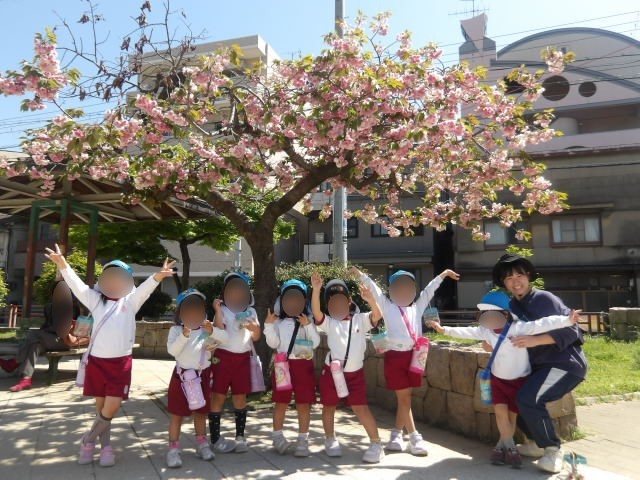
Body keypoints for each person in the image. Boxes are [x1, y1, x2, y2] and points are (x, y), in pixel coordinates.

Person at [44, 244, 175, 467]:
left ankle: (87, 440)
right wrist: (63, 265)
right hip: (97, 362)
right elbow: (77, 286)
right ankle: (105, 448)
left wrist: (158, 276)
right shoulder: (95, 300)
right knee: (101, 409)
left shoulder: (131, 302)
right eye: (110, 277)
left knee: (111, 407)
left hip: (120, 364)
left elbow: (145, 289)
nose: (114, 283)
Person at [430, 291, 580, 468]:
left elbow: (541, 324)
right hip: (498, 381)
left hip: (519, 381)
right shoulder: (486, 332)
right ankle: (510, 449)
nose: (491, 320)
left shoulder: (518, 328)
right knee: (501, 415)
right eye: (486, 316)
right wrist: (444, 330)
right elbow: (467, 332)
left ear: (506, 314)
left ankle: (502, 446)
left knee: (511, 417)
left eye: (494, 316)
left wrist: (567, 320)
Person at [492, 253, 588, 474]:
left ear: (528, 275)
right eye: (509, 278)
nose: (515, 281)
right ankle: (536, 443)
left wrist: (535, 340)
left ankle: (553, 449)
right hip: (539, 367)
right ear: (504, 283)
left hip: (564, 364)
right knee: (517, 399)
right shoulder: (511, 306)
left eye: (519, 275)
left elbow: (572, 330)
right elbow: (507, 335)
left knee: (528, 398)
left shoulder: (544, 298)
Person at [351, 266, 459, 456]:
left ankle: (396, 435)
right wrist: (360, 274)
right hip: (395, 357)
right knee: (405, 398)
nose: (403, 291)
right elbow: (374, 288)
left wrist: (442, 275)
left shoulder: (417, 307)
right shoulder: (387, 306)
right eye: (398, 287)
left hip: (414, 356)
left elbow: (429, 290)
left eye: (408, 287)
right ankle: (414, 436)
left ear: (414, 290)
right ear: (391, 290)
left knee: (405, 398)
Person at [311, 273, 385, 464]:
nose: (337, 306)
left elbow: (377, 315)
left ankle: (376, 443)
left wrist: (371, 300)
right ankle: (330, 438)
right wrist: (316, 290)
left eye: (340, 302)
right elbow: (317, 314)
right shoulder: (330, 322)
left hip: (355, 374)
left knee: (360, 407)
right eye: (332, 304)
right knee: (329, 406)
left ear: (349, 301)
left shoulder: (360, 319)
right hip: (332, 372)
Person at [264, 279, 320, 457]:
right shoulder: (279, 322)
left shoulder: (308, 321)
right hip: (283, 366)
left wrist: (308, 326)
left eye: (297, 299)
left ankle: (303, 439)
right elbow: (273, 343)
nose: (293, 303)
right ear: (282, 301)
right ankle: (277, 436)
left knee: (303, 403)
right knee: (281, 402)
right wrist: (268, 326)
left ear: (304, 302)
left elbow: (315, 343)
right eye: (288, 299)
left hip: (303, 366)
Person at [207, 271, 261, 454]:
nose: (236, 295)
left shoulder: (251, 311)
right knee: (218, 396)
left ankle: (240, 437)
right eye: (231, 291)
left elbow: (256, 336)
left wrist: (254, 327)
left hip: (243, 359)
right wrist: (217, 311)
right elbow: (218, 330)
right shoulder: (223, 310)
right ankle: (215, 438)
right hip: (222, 358)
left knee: (240, 397)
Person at [165, 288, 216, 468]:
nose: (193, 314)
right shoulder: (175, 330)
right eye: (189, 310)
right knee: (177, 415)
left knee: (201, 413)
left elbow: (212, 350)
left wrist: (211, 343)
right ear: (180, 313)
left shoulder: (206, 330)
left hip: (202, 376)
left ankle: (202, 444)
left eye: (198, 310)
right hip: (182, 377)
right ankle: (173, 449)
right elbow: (173, 351)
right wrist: (184, 336)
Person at [0, 280, 80, 391]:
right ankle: (26, 379)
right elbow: (47, 325)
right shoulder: (49, 307)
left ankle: (14, 362)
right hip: (48, 339)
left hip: (64, 340)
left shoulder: (73, 307)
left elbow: (69, 328)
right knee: (35, 345)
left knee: (33, 334)